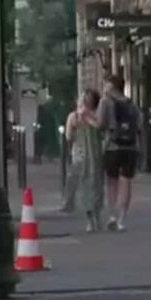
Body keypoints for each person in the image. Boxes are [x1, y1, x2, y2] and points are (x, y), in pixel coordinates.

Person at [97, 74, 142, 232]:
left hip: (112, 146)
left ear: (112, 87)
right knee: (126, 182)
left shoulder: (105, 101)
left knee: (112, 182)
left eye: (106, 85)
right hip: (130, 147)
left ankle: (112, 216)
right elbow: (139, 125)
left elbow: (100, 124)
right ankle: (122, 218)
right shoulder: (131, 104)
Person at [63, 89, 106, 232]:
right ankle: (92, 219)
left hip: (89, 155)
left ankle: (95, 219)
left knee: (93, 186)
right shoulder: (74, 117)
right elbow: (69, 136)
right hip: (87, 155)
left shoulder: (92, 116)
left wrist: (87, 118)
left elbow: (101, 127)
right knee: (89, 186)